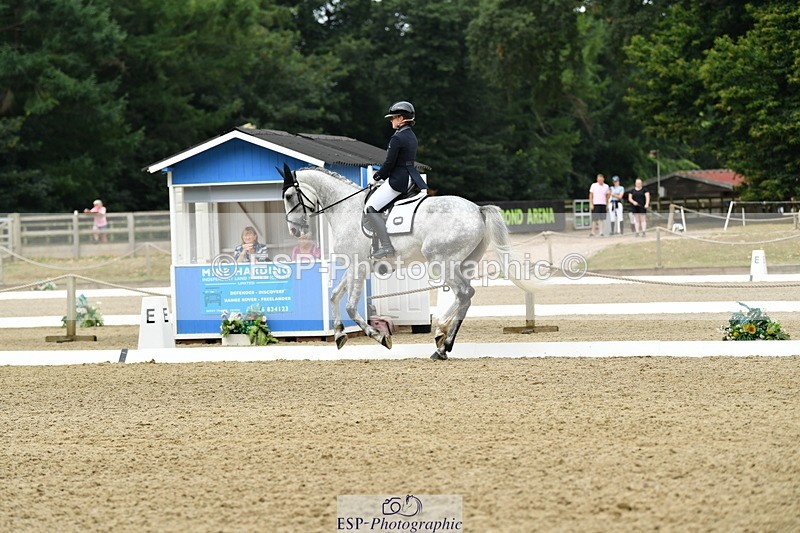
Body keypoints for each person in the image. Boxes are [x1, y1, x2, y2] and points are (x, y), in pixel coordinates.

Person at [364, 101, 428, 259]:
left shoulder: (397, 138)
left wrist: (377, 177)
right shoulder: (411, 136)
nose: (391, 120)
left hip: (398, 180)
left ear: (400, 118)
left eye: (393, 118)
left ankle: (387, 247)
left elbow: (389, 164)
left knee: (370, 208)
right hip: (411, 177)